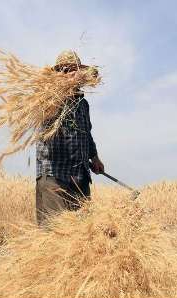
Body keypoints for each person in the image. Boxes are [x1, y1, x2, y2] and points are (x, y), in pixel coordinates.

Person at [35, 50, 105, 226]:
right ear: (58, 74)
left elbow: (86, 133)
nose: (71, 74)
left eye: (74, 69)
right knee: (54, 236)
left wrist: (94, 157)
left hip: (79, 179)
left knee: (82, 237)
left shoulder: (82, 104)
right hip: (54, 177)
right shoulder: (47, 97)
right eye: (65, 70)